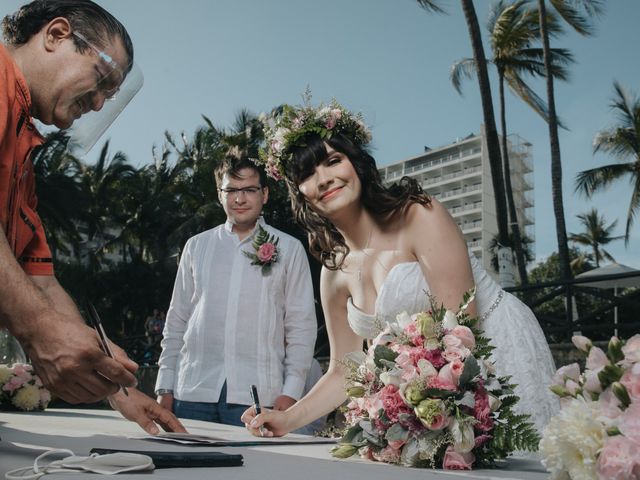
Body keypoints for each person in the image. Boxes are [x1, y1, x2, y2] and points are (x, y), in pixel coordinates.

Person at [242, 100, 559, 437]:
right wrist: (287, 419)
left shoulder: (418, 215)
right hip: (425, 385)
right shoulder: (334, 272)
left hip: (492, 349)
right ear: (300, 192)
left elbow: (464, 329)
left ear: (357, 165)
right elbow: (342, 371)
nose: (324, 179)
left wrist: (405, 398)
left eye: (334, 161)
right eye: (307, 174)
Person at [0, 0, 184, 434]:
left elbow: (38, 277)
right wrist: (39, 329)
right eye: (101, 80)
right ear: (56, 34)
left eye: (111, 95)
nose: (100, 105)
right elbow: (38, 310)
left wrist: (114, 387)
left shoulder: (22, 149)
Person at [155, 150, 318, 428]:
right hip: (192, 391)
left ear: (264, 194)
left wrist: (290, 392)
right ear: (220, 194)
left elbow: (300, 325)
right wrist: (164, 384)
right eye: (231, 190)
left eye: (249, 190)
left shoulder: (289, 249)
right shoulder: (197, 246)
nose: (240, 199)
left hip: (258, 396)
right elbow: (178, 318)